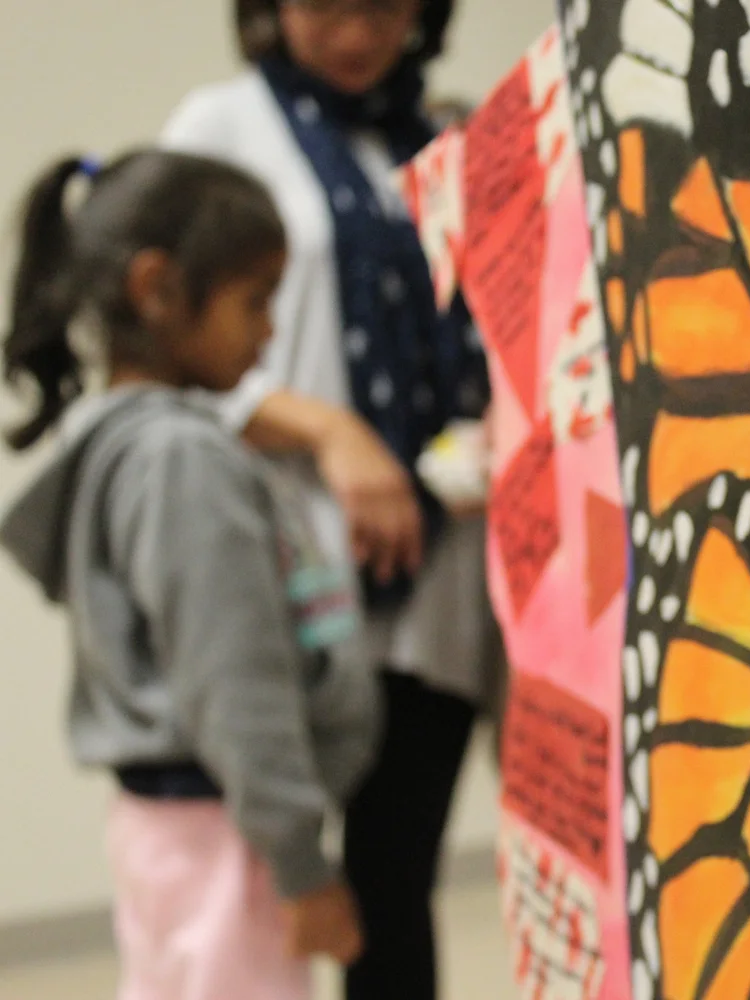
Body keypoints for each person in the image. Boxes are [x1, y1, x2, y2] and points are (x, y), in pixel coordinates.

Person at [159, 3, 498, 999]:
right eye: (328, 6)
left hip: (440, 571)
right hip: (295, 568)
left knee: (395, 892)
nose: (357, 36)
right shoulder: (219, 129)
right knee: (257, 902)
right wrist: (331, 431)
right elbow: (167, 351)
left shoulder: (444, 138)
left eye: (383, 8)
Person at [0, 149, 379, 1000]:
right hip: (227, 838)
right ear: (157, 289)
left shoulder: (125, 443)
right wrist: (300, 864)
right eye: (256, 301)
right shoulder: (181, 460)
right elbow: (233, 681)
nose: (270, 333)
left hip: (176, 831)